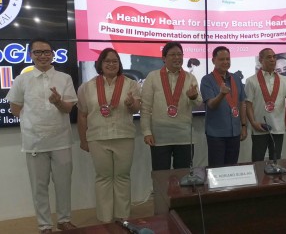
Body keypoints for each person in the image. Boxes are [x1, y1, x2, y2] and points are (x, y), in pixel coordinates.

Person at [6, 38, 77, 233]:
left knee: (63, 184)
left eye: (46, 51)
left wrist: (57, 103)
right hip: (34, 141)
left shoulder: (64, 78)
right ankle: (44, 225)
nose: (42, 56)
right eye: (37, 52)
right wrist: (32, 119)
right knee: (39, 187)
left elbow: (68, 108)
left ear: (53, 54)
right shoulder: (21, 80)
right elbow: (14, 109)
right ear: (31, 55)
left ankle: (64, 220)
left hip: (61, 139)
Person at [77, 48, 141, 223]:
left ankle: (123, 217)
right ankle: (105, 219)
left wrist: (131, 103)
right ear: (100, 64)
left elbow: (136, 108)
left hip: (124, 136)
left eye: (115, 61)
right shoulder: (87, 87)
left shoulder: (131, 84)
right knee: (103, 177)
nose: (111, 64)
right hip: (97, 138)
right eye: (107, 61)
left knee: (122, 177)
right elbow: (82, 115)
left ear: (119, 64)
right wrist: (83, 140)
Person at [140, 42, 202, 171]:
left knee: (183, 176)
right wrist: (147, 132)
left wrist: (193, 97)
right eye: (173, 54)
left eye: (179, 54)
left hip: (184, 137)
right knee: (161, 176)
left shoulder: (190, 78)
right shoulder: (153, 77)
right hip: (159, 137)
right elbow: (145, 108)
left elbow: (199, 102)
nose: (177, 58)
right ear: (164, 58)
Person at [245, 48, 286, 162]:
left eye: (274, 57)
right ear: (261, 59)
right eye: (269, 57)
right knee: (257, 160)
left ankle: (274, 180)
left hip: (278, 126)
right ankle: (259, 180)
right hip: (259, 126)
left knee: (276, 159)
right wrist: (253, 123)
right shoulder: (251, 80)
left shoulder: (283, 79)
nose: (272, 60)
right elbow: (248, 104)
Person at [200, 46, 247, 167]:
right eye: (222, 59)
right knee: (217, 170)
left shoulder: (236, 78)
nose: (226, 62)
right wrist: (222, 94)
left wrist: (243, 125)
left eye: (228, 59)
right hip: (216, 134)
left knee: (232, 168)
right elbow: (211, 105)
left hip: (235, 132)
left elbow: (242, 103)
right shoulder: (207, 80)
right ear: (213, 61)